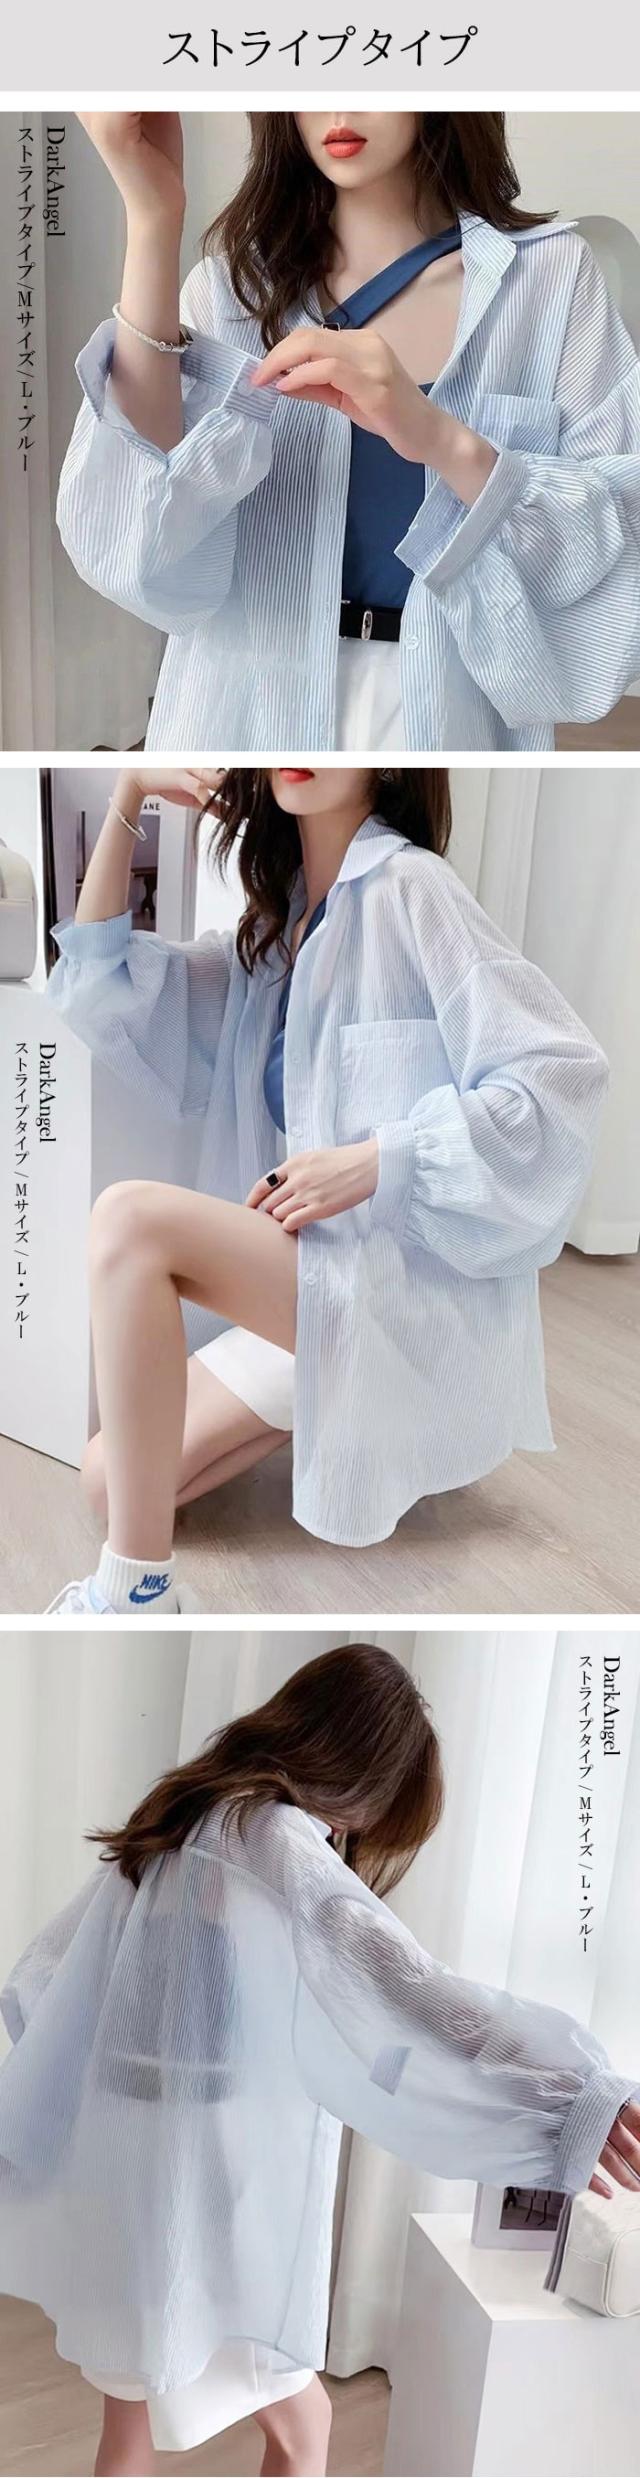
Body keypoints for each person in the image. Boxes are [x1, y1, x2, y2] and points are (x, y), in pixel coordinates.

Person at [0, 1644, 638, 2478]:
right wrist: (570, 2090)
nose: (354, 1831)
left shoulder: (180, 1811)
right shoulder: (268, 1831)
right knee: (305, 2427)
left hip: (122, 2163)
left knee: (129, 2427)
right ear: (354, 1769)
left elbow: (43, 1973)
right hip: (204, 2178)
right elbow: (404, 1983)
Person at [44, 764, 608, 1614]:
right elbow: (100, 984)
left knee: (130, 1222)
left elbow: (560, 1079)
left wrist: (379, 1159)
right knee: (110, 1480)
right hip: (313, 1280)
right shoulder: (270, 940)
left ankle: (136, 1593)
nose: (300, 750)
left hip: (398, 1282)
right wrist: (130, 793)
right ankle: (334, 1406)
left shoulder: (415, 888)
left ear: (385, 761)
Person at [57, 110, 640, 754]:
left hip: (450, 711)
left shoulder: (551, 278)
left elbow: (618, 544)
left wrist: (441, 439)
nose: (338, 111)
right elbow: (134, 551)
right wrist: (152, 216)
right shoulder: (229, 292)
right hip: (245, 711)